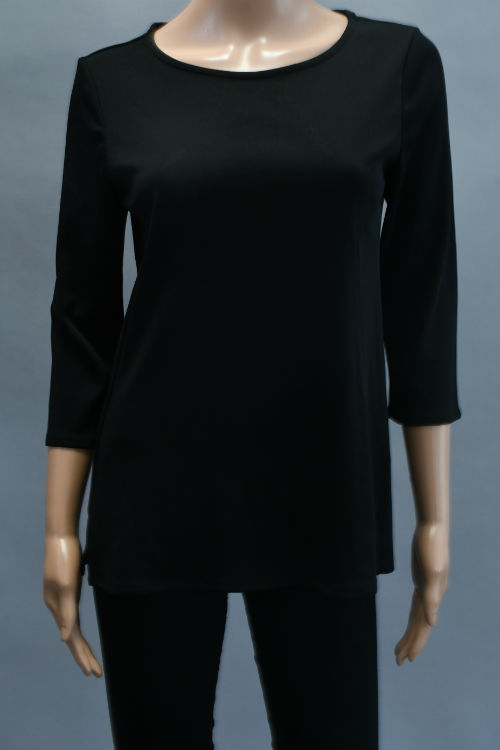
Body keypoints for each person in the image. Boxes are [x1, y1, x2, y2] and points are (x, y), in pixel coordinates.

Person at [43, 3, 462, 748]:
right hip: (155, 492)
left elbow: (420, 301)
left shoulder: (394, 70)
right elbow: (83, 318)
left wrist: (435, 519)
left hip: (325, 482)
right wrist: (59, 527)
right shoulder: (114, 82)